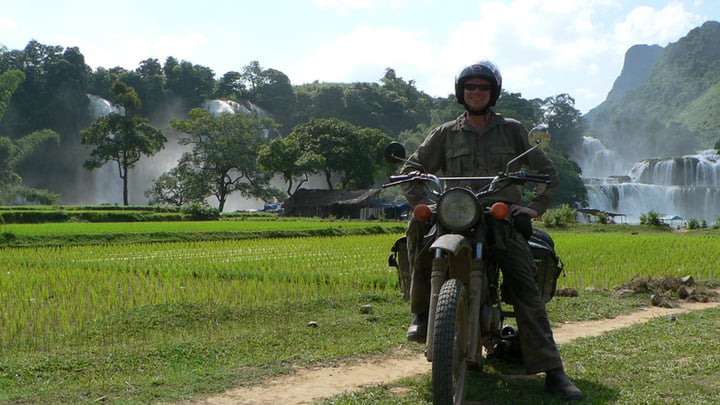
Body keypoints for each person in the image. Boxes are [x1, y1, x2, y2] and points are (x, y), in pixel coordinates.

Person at [400, 60, 582, 401]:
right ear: (461, 92)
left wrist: (532, 207)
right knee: (418, 228)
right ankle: (421, 313)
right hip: (454, 212)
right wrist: (421, 199)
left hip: (498, 217)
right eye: (470, 87)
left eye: (482, 87)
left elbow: (547, 171)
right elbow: (412, 168)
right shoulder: (445, 133)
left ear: (492, 93)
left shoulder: (512, 130)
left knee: (523, 284)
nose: (476, 93)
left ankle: (553, 371)